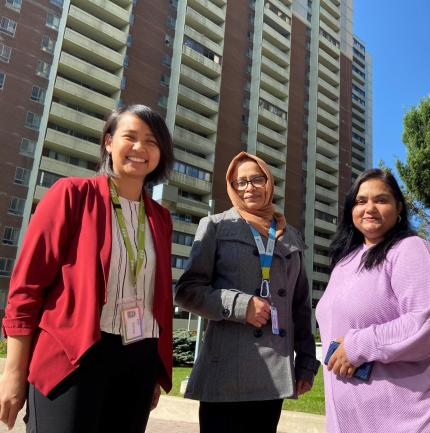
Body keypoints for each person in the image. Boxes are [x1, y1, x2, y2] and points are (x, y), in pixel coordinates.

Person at [0, 105, 175, 433]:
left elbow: (158, 297)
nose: (140, 148)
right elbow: (27, 286)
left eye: (151, 141)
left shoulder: (160, 218)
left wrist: (152, 369)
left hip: (138, 356)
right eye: (130, 137)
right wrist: (13, 372)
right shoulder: (71, 195)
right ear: (109, 142)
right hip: (74, 354)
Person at [316, 168, 430, 433]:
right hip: (357, 419)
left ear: (399, 208)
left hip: (417, 417)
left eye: (381, 200)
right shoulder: (345, 262)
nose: (369, 208)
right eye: (361, 201)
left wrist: (358, 345)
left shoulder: (411, 249)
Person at [174, 151, 318, 433]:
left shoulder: (291, 236)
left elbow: (301, 306)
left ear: (269, 183)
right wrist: (239, 305)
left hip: (274, 373)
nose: (249, 187)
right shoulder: (215, 226)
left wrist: (307, 365)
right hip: (225, 372)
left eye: (256, 179)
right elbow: (187, 291)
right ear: (232, 186)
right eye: (241, 182)